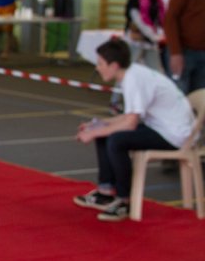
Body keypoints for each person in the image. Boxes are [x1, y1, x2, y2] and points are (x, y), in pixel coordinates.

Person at [73, 39, 194, 222]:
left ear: (114, 65)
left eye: (100, 64)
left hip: (175, 134)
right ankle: (105, 191)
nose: (97, 68)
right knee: (104, 129)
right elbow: (130, 116)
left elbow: (129, 124)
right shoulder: (130, 74)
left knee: (116, 140)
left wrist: (93, 133)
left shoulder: (133, 80)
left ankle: (124, 200)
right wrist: (99, 124)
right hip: (161, 125)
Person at [163, 0, 205, 94]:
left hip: (203, 52)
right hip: (183, 51)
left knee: (200, 100)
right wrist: (175, 52)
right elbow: (170, 18)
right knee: (178, 98)